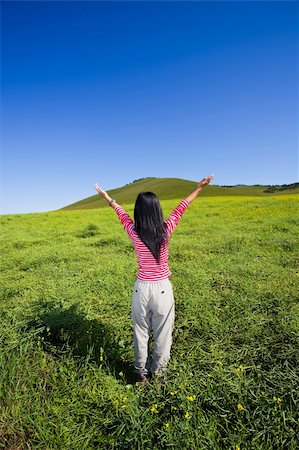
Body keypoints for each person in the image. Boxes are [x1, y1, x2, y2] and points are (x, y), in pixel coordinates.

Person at [94, 175, 214, 384]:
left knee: (140, 333)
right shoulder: (166, 230)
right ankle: (158, 375)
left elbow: (119, 212)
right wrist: (199, 188)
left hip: (141, 289)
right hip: (162, 290)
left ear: (138, 212)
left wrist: (107, 196)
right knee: (163, 334)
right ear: (158, 210)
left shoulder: (134, 232)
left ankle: (141, 374)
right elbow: (181, 207)